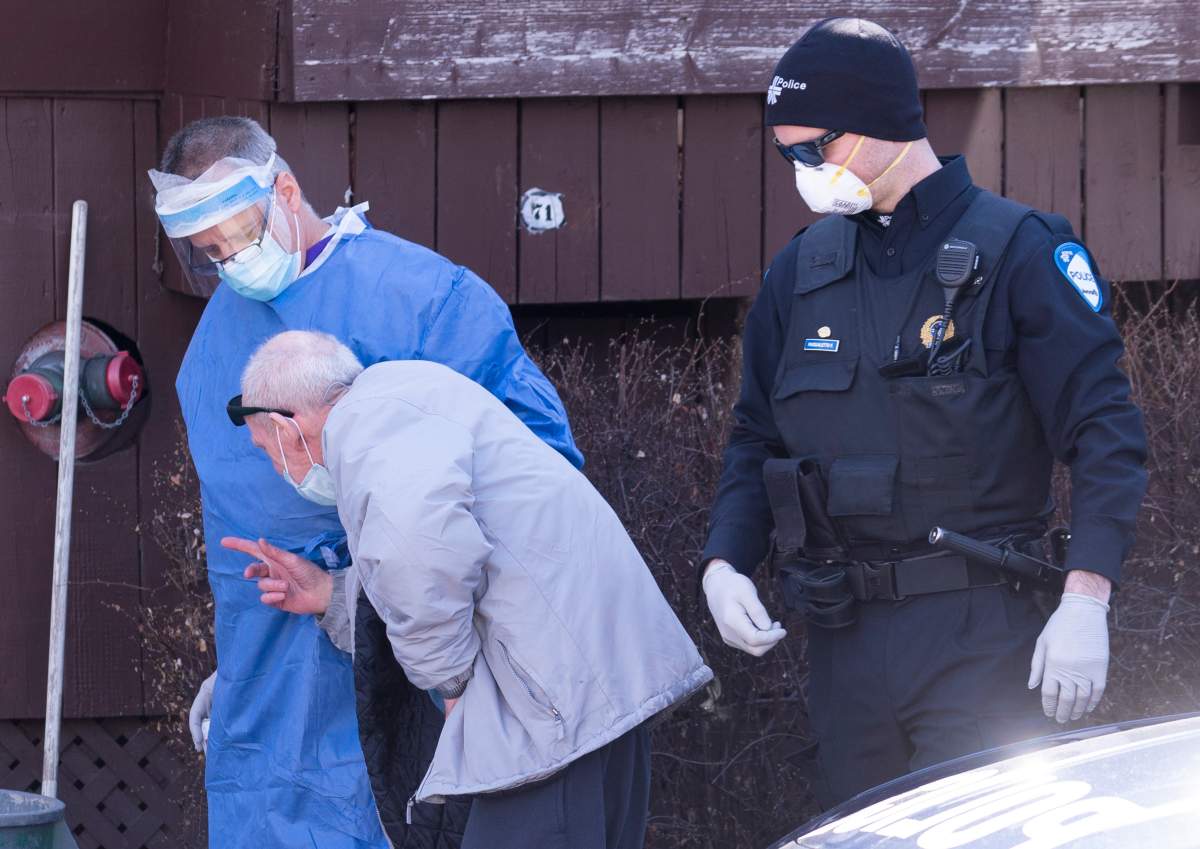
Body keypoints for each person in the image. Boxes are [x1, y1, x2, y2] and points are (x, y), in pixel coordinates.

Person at [700, 18, 1148, 807]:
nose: (805, 170)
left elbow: (1105, 433)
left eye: (817, 148)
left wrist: (1087, 597)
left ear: (883, 121)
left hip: (982, 636)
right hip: (845, 641)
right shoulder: (801, 272)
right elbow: (756, 434)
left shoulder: (1019, 252)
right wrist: (725, 562)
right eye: (789, 154)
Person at [150, 116, 583, 848]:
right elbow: (238, 539)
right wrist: (239, 661)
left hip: (427, 672)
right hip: (276, 696)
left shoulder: (424, 301)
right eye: (210, 253)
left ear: (286, 191)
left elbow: (536, 485)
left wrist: (365, 598)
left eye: (239, 237)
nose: (232, 263)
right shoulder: (215, 347)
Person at [221, 330, 713, 849]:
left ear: (285, 426)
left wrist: (448, 680)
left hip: (548, 714)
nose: (277, 470)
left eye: (267, 451)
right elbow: (438, 547)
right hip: (590, 692)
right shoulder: (407, 397)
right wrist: (331, 594)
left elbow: (417, 549)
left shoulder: (365, 424)